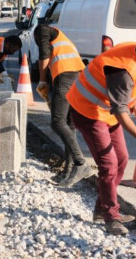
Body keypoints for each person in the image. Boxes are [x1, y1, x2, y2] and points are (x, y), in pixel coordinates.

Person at [66, 34, 136, 236]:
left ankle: (101, 208)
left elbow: (123, 93)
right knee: (108, 164)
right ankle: (111, 217)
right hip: (87, 111)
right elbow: (120, 110)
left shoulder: (134, 51)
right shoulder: (123, 70)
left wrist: (131, 99)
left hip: (105, 111)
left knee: (121, 160)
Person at [33, 24, 95, 188]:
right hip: (79, 77)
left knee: (57, 121)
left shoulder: (42, 31)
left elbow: (44, 53)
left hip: (66, 77)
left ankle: (81, 164)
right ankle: (68, 171)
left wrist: (42, 80)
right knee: (69, 124)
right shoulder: (62, 38)